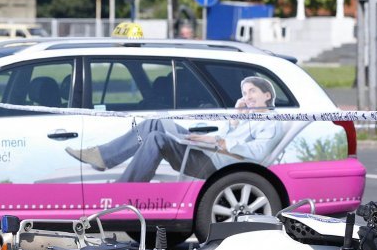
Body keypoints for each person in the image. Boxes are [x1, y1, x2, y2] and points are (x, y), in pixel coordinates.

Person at [66, 76, 282, 182]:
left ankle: (125, 189)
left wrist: (216, 142)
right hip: (205, 151)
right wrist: (235, 118)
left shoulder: (271, 122)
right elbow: (227, 136)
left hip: (213, 164)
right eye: (245, 93)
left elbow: (258, 153)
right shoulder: (248, 116)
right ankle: (103, 156)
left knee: (157, 139)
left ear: (267, 95)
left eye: (252, 92)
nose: (247, 97)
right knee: (155, 122)